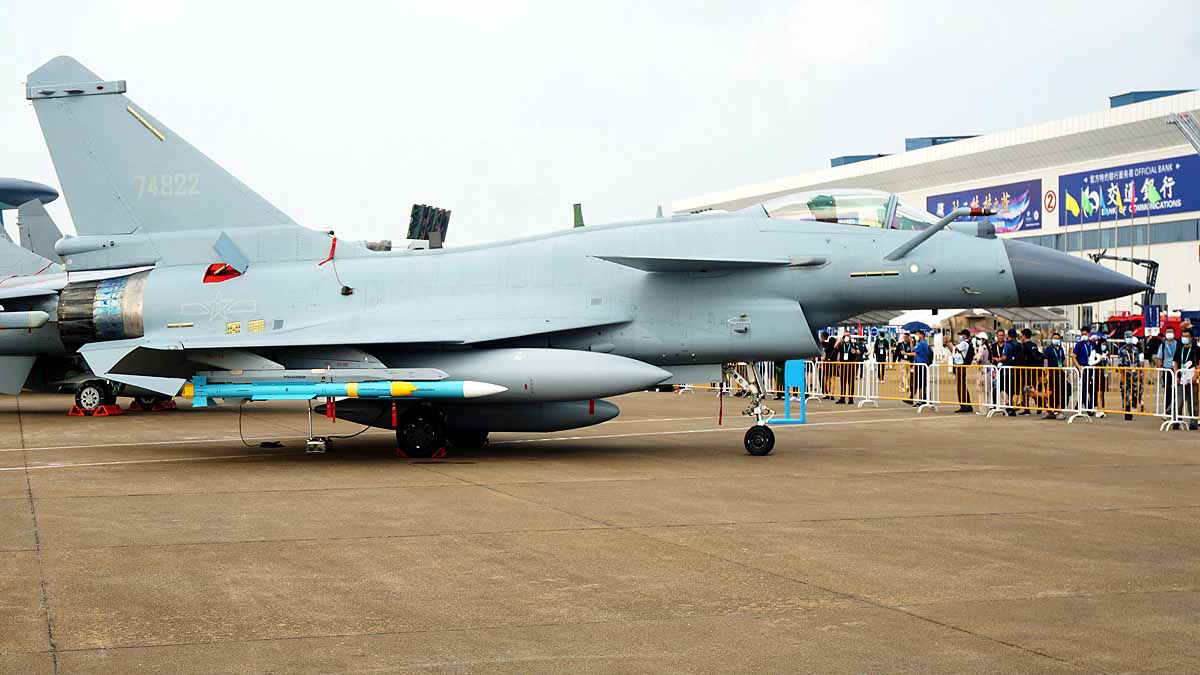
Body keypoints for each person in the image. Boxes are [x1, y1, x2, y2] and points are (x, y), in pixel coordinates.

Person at [1174, 328, 1198, 430]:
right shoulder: (1179, 348)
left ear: (1191, 338)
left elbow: (1198, 364)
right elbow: (1175, 363)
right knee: (1179, 401)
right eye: (1183, 336)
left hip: (1192, 379)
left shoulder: (1196, 349)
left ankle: (1193, 422)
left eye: (1187, 336)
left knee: (1193, 402)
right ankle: (1176, 421)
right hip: (1181, 378)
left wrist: (1195, 376)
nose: (1184, 338)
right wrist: (1176, 375)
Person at [1116, 331, 1143, 421]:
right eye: (1127, 337)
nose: (1129, 339)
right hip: (1125, 374)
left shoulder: (1136, 350)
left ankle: (1134, 406)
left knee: (1135, 391)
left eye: (1130, 337)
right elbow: (1120, 365)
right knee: (1125, 393)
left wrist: (1140, 374)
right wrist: (1121, 376)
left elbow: (1138, 363)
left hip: (1134, 374)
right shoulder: (1121, 350)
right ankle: (1127, 411)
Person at [1042, 331, 1068, 420]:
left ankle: (1058, 410)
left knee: (1059, 393)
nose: (1056, 340)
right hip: (1051, 374)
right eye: (1055, 339)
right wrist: (1046, 373)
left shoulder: (1061, 349)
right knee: (1049, 392)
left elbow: (1063, 360)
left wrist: (1067, 370)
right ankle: (1049, 410)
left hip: (1060, 374)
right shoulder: (1048, 349)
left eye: (1058, 339)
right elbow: (1045, 361)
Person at [1155, 328, 1179, 415]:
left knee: (1177, 392)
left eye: (1171, 332)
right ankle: (1168, 412)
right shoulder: (1163, 345)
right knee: (1168, 392)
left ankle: (1175, 412)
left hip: (1177, 371)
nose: (1169, 334)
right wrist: (1160, 371)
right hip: (1167, 370)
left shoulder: (1178, 344)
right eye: (1168, 332)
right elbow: (1159, 358)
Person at [1073, 332, 1097, 414]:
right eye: (1082, 334)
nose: (1084, 336)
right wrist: (1079, 367)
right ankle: (1089, 408)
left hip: (1091, 368)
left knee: (1088, 388)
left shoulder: (1093, 344)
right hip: (1083, 369)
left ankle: (1078, 405)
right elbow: (1073, 357)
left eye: (1086, 334)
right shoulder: (1079, 344)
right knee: (1084, 388)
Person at [835, 333, 862, 403]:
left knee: (851, 382)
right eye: (845, 336)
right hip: (843, 365)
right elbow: (835, 347)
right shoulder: (841, 344)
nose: (846, 337)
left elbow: (860, 351)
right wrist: (841, 338)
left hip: (851, 365)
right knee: (843, 381)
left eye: (848, 336)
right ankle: (842, 398)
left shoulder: (853, 344)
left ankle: (850, 398)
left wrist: (855, 351)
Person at [952, 329, 974, 413]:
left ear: (965, 335)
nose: (960, 336)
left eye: (961, 335)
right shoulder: (967, 343)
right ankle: (967, 405)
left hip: (960, 366)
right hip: (962, 366)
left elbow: (954, 349)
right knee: (963, 386)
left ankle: (963, 405)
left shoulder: (964, 343)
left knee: (960, 387)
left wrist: (948, 343)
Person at [971, 331, 992, 413]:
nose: (977, 340)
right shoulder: (988, 348)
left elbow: (979, 359)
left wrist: (975, 361)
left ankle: (983, 410)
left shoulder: (981, 348)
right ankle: (989, 408)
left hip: (982, 372)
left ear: (983, 340)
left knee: (981, 391)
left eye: (979, 339)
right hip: (988, 372)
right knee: (987, 391)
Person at [911, 330, 932, 404]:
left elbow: (913, 351)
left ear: (922, 335)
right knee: (920, 383)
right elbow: (914, 350)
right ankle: (922, 399)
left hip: (922, 365)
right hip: (919, 364)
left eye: (918, 334)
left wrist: (905, 353)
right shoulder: (920, 343)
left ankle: (922, 400)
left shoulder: (922, 343)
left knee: (921, 383)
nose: (916, 336)